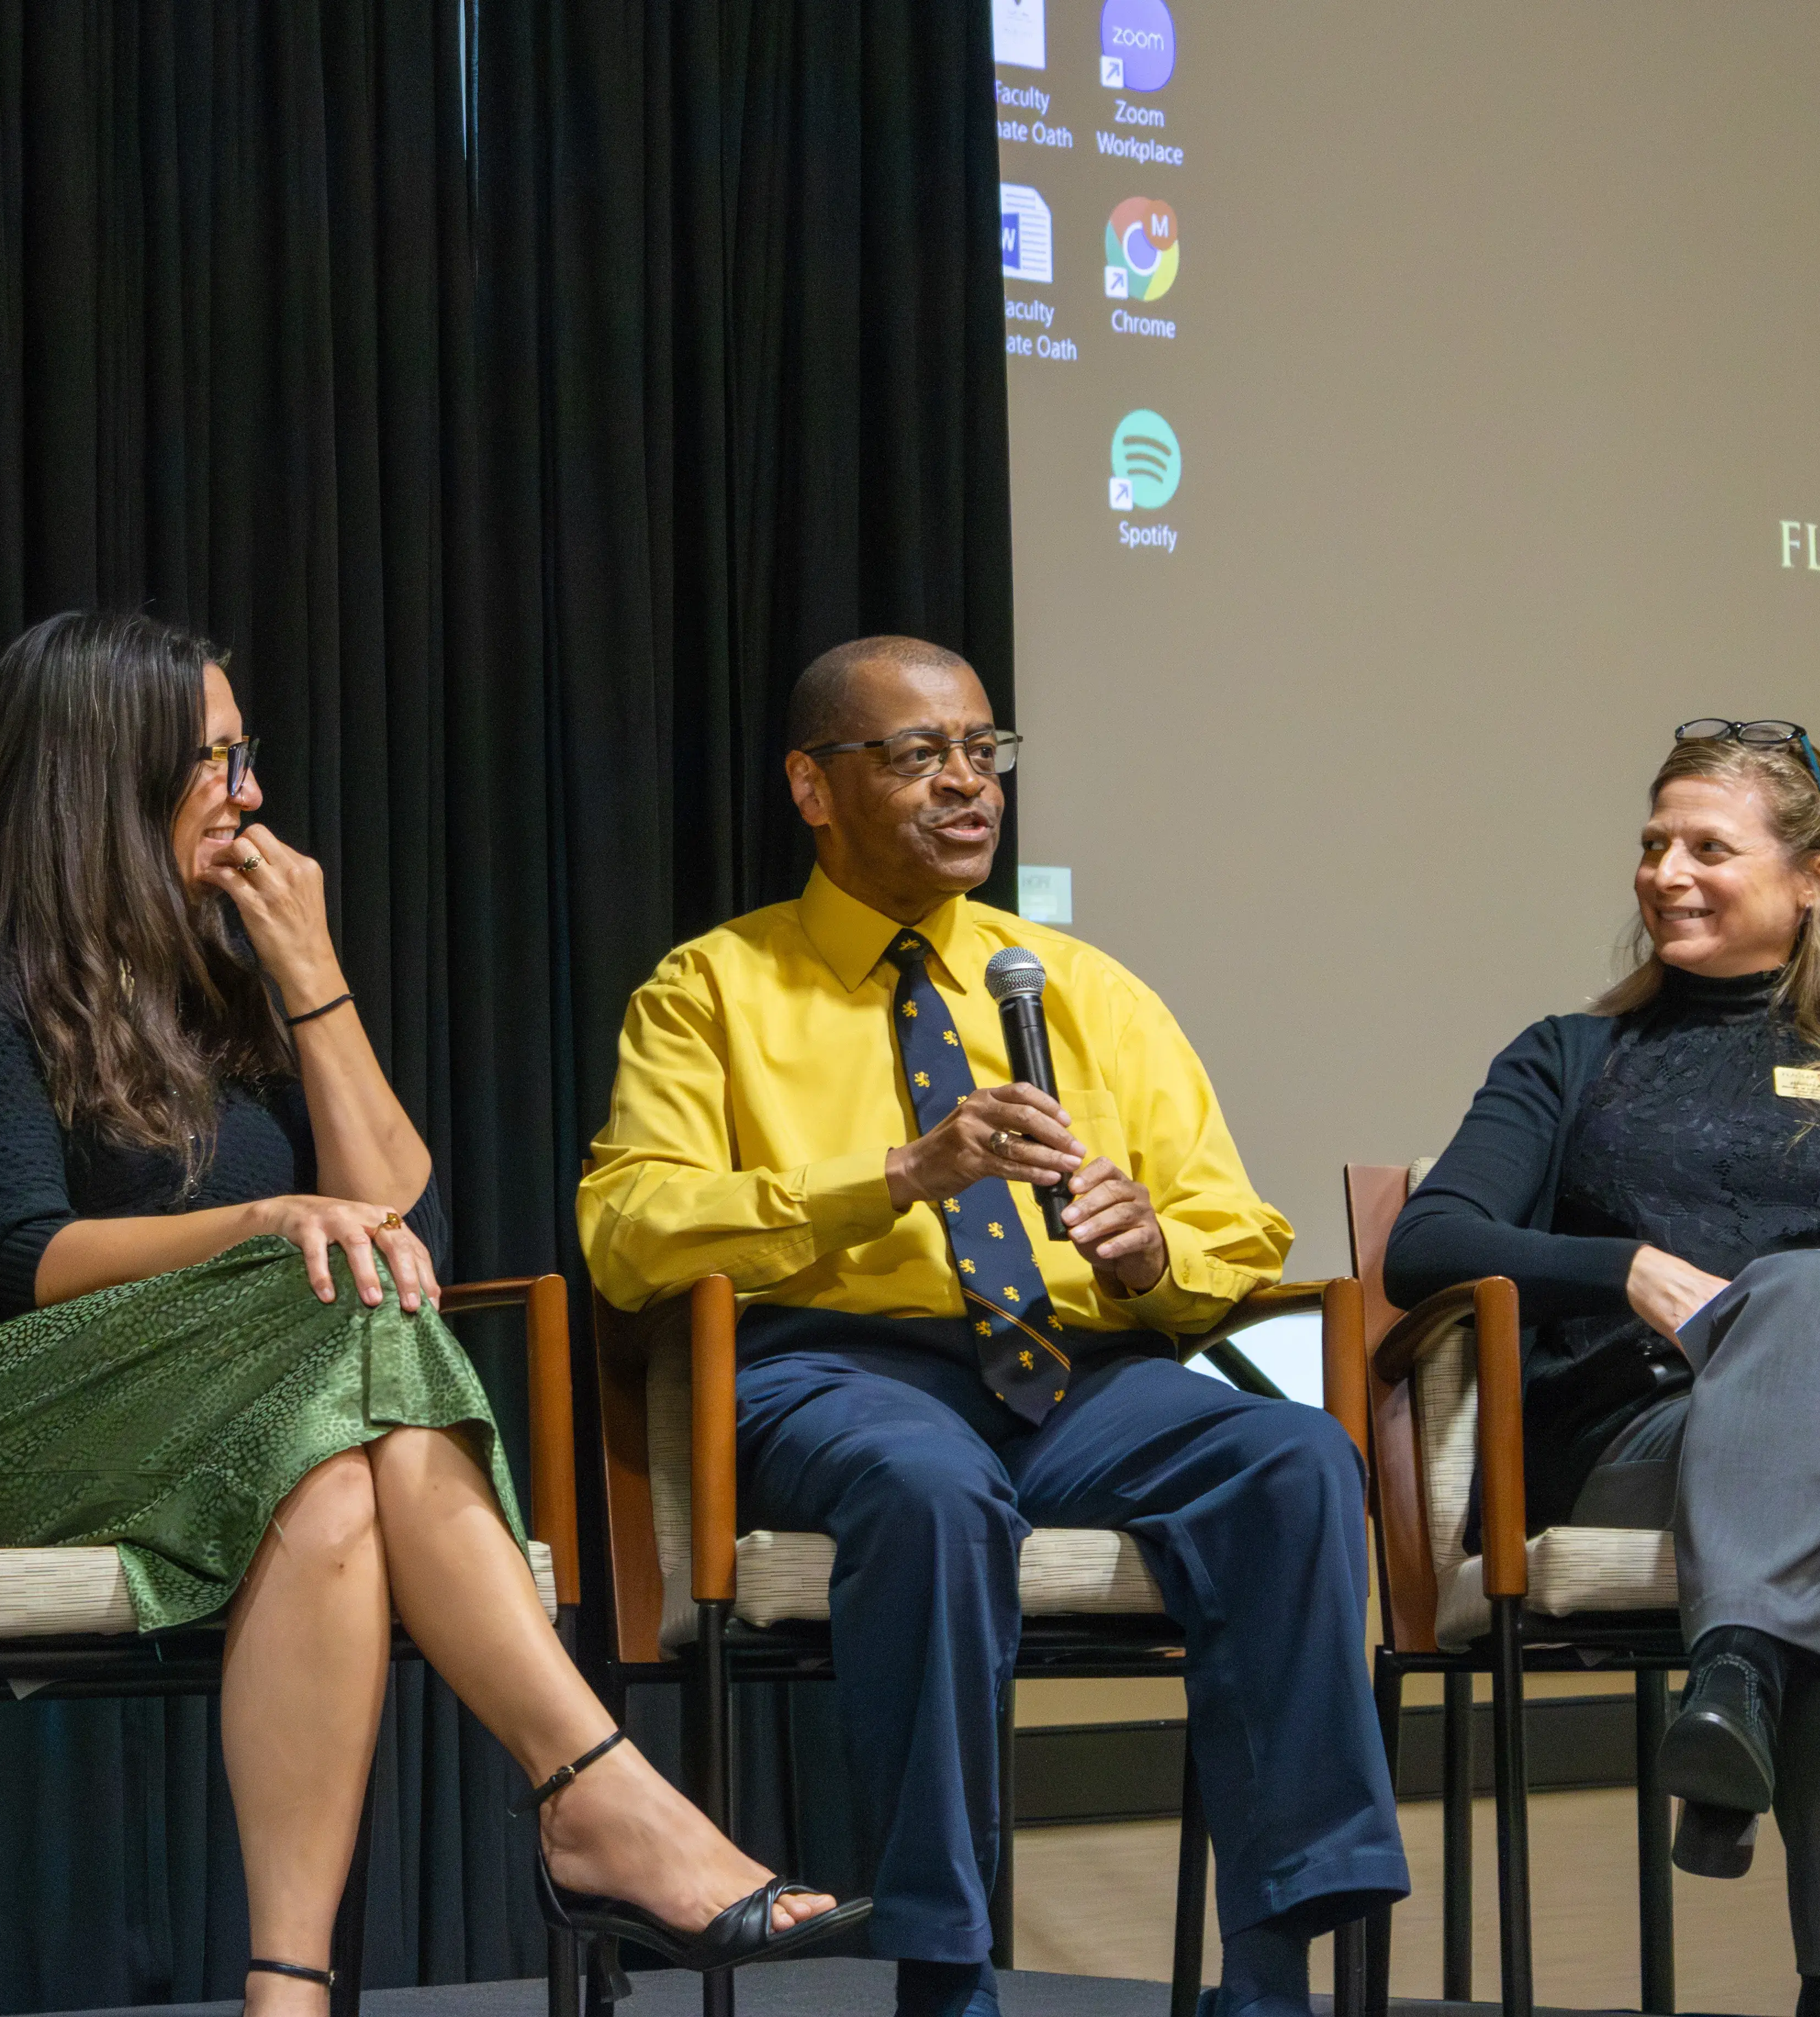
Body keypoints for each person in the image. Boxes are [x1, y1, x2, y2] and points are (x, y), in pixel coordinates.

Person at [0, 610, 863, 2010]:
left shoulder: (219, 987)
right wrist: (270, 1219)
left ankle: (290, 1992)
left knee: (333, 1472)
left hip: (249, 1414)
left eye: (244, 754)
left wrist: (312, 978)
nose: (250, 791)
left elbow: (395, 1221)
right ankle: (595, 1792)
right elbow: (22, 1253)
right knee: (345, 1318)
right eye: (215, 760)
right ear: (104, 775)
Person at [579, 636, 1405, 2017]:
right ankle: (946, 1967)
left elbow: (1232, 1231)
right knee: (931, 1487)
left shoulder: (1082, 989)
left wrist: (1153, 1254)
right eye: (918, 756)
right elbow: (629, 1231)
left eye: (985, 752)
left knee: (1293, 1462)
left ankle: (1268, 1973)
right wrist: (896, 1176)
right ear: (813, 785)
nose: (967, 786)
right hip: (836, 1370)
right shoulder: (711, 989)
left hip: (1083, 1377)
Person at [1386, 719, 1820, 2017]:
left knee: (1814, 1291)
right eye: (1654, 845)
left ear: (1815, 881)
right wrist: (1624, 1270)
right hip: (1657, 1449)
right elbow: (1430, 1242)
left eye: (1708, 847)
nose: (1665, 873)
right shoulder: (1571, 1058)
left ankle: (1738, 1675)